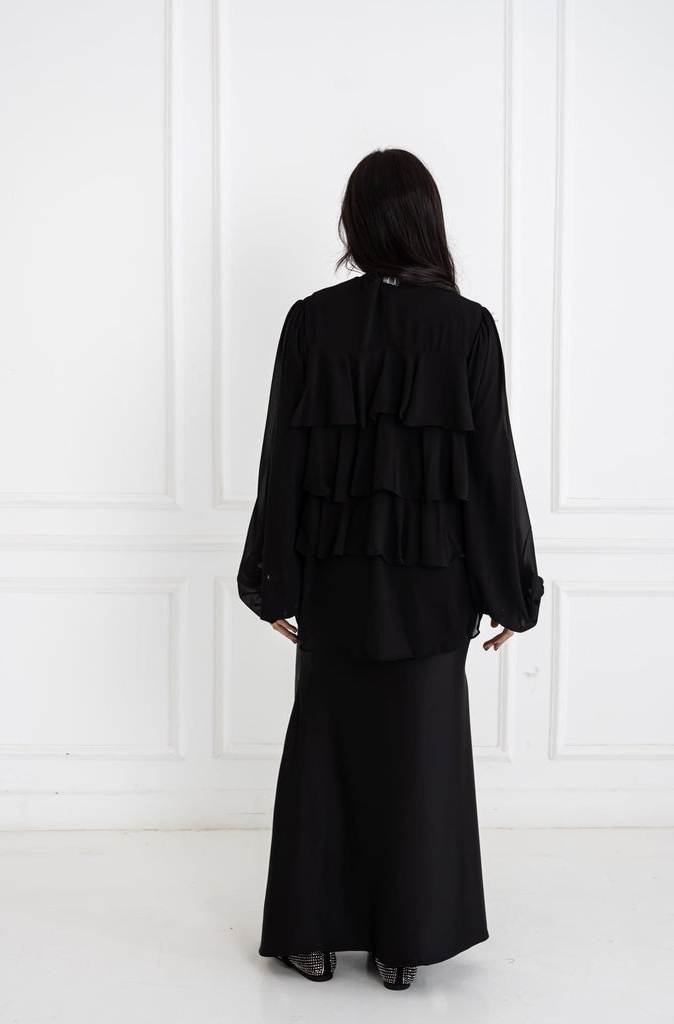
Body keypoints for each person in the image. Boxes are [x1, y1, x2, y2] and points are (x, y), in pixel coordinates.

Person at [237, 147, 544, 990]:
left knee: (324, 756)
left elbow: (282, 461)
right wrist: (509, 591)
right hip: (434, 586)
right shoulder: (466, 327)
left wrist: (272, 578)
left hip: (334, 582)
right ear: (427, 222)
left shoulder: (312, 321)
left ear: (354, 224)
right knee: (420, 760)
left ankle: (309, 932)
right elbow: (491, 470)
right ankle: (401, 942)